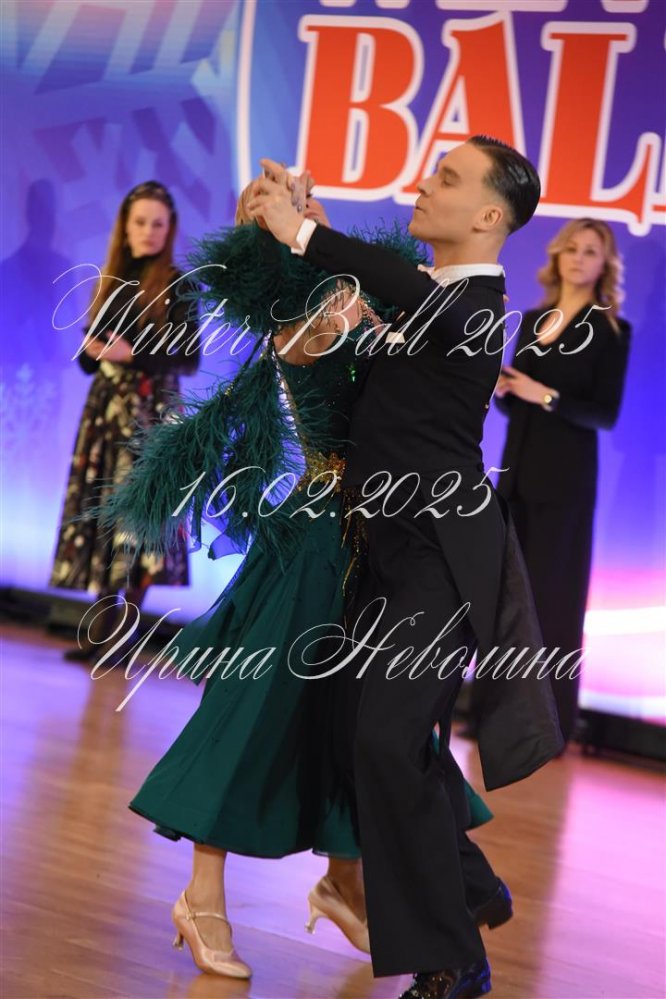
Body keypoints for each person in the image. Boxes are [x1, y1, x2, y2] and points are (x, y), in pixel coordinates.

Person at [101, 182, 504, 982]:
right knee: (256, 711)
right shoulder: (311, 317)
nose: (302, 212)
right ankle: (203, 897)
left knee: (349, 720)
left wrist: (313, 229)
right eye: (284, 213)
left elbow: (380, 300)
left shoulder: (370, 300)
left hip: (370, 547)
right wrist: (301, 233)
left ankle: (346, 877)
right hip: (317, 545)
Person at [250, 138, 564, 999]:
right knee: (364, 739)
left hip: (440, 558)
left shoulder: (474, 307)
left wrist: (305, 235)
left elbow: (406, 292)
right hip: (385, 550)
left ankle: (453, 958)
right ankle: (469, 886)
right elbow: (387, 327)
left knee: (386, 741)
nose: (425, 186)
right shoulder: (427, 309)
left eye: (448, 179)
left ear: (490, 216)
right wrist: (309, 242)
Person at [489, 218, 630, 745]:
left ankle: (547, 728)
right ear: (557, 255)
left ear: (603, 264)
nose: (578, 258)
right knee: (505, 602)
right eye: (571, 248)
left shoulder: (611, 330)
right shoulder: (532, 320)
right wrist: (505, 392)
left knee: (553, 602)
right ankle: (495, 716)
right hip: (516, 475)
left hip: (566, 484)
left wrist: (543, 394)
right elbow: (518, 407)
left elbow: (604, 414)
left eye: (590, 251)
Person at [50, 181, 199, 664]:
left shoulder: (178, 284)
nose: (149, 231)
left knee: (143, 524)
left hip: (151, 418)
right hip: (107, 414)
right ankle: (101, 631)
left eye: (158, 224)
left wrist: (130, 354)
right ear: (125, 227)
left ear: (169, 229)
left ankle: (121, 635)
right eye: (141, 222)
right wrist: (93, 348)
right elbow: (89, 362)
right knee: (103, 516)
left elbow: (189, 359)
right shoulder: (110, 280)